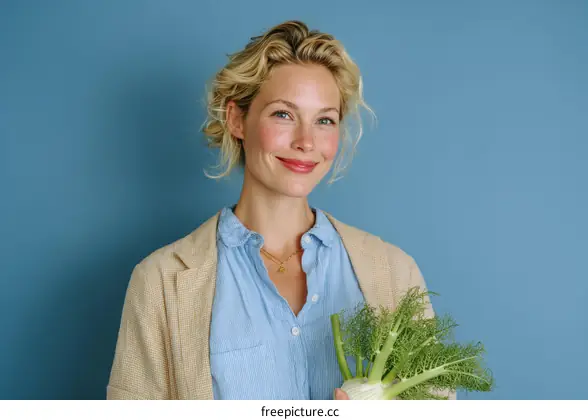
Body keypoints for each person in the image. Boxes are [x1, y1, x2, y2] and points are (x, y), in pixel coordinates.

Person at [106, 20, 453, 400]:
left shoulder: (396, 273)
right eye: (283, 114)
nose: (306, 142)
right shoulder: (160, 283)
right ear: (237, 119)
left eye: (324, 120)